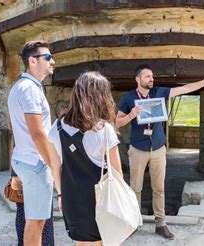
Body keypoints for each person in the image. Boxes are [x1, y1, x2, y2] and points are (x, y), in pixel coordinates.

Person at [116, 64, 204, 239]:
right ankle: (133, 223)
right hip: (138, 149)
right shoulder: (129, 98)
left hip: (158, 148)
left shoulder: (159, 92)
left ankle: (161, 224)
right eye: (147, 76)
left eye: (152, 76)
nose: (152, 79)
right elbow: (117, 122)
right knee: (135, 188)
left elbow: (186, 88)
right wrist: (131, 115)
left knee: (158, 188)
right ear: (138, 79)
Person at [48, 71, 123, 246]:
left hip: (71, 197)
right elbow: (117, 172)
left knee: (80, 242)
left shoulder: (56, 128)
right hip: (98, 200)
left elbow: (55, 166)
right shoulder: (105, 130)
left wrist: (61, 194)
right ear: (101, 97)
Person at [7, 40, 55, 246]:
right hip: (36, 164)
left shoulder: (21, 86)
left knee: (34, 220)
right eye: (48, 57)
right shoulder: (30, 90)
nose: (53, 61)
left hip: (24, 160)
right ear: (32, 61)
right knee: (36, 222)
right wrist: (54, 164)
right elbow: (38, 134)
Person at [9, 122, 55, 246]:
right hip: (30, 166)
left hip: (30, 165)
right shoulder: (27, 113)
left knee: (40, 215)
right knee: (26, 212)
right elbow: (14, 142)